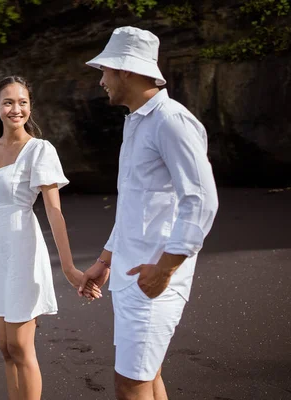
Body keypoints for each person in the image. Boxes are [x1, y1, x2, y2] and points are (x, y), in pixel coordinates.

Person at [79, 26, 219, 400]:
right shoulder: (138, 120)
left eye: (106, 70)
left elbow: (202, 200)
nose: (102, 80)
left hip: (154, 279)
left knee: (131, 384)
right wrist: (105, 260)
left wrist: (165, 269)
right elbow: (134, 205)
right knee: (147, 375)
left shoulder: (171, 120)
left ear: (126, 70)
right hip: (131, 274)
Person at [0, 75, 101, 400]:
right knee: (5, 348)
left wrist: (69, 268)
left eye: (22, 102)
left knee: (22, 348)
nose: (16, 109)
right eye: (8, 102)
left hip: (24, 252)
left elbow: (54, 211)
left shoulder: (39, 150)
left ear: (30, 106)